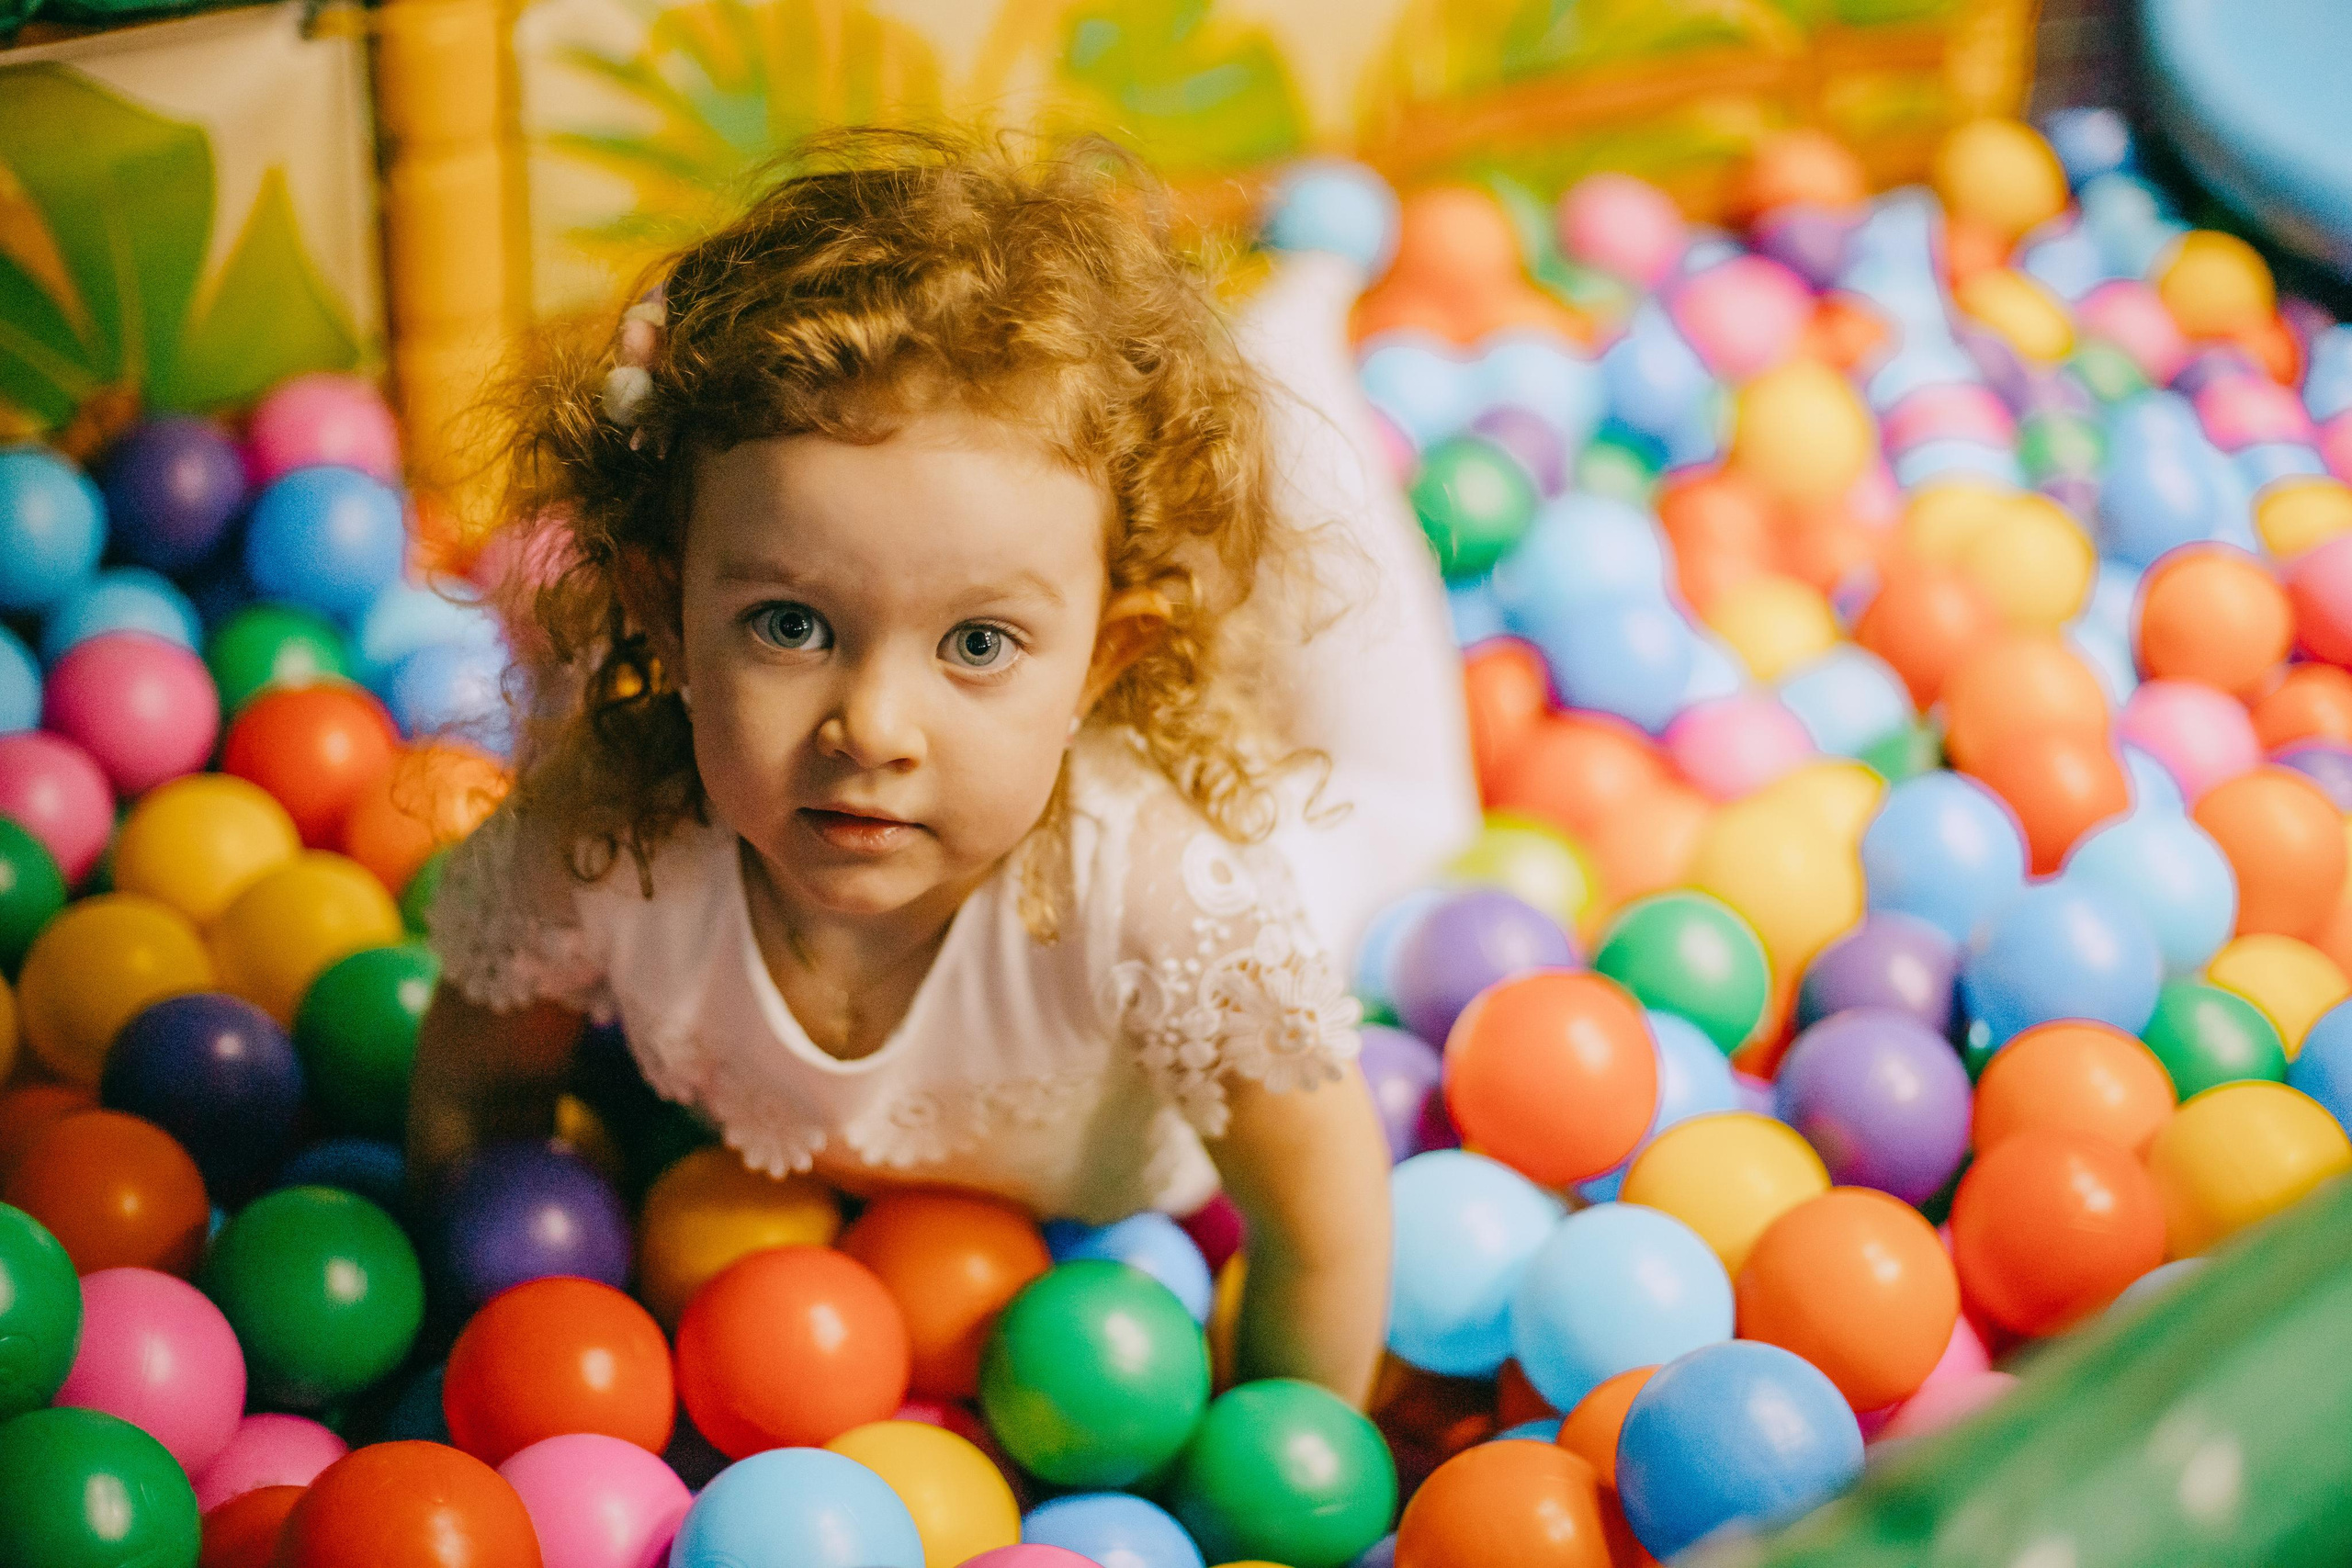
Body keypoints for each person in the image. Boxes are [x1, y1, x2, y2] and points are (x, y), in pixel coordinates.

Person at [409, 129, 1477, 1404]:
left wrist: (1278, 1507)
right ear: (662, 608)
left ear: (1100, 662)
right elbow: (479, 1096)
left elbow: (1322, 1224)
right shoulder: (607, 832)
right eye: (791, 626)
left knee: (1338, 599)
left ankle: (1296, 313)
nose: (873, 727)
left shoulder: (1174, 905)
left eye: (977, 643)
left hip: (1324, 814)